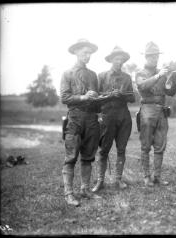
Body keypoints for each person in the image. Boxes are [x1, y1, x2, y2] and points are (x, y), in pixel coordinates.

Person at [60, 39, 101, 206]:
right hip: (75, 118)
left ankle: (85, 190)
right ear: (76, 52)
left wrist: (99, 100)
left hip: (91, 119)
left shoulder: (92, 75)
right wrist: (84, 97)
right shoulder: (67, 73)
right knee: (71, 157)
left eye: (89, 53)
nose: (88, 55)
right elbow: (64, 97)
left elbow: (97, 100)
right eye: (84, 52)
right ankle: (69, 194)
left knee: (88, 156)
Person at [92, 46, 135, 192]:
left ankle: (118, 179)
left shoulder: (127, 78)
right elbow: (95, 98)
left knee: (121, 149)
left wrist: (122, 94)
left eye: (121, 59)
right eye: (116, 58)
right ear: (111, 60)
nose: (119, 61)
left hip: (123, 116)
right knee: (103, 150)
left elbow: (132, 97)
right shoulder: (102, 76)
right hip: (107, 116)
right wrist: (109, 95)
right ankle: (100, 181)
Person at [135, 42, 176, 187]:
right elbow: (142, 86)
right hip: (147, 110)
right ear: (146, 57)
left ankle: (157, 176)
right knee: (146, 145)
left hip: (161, 111)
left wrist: (172, 80)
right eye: (151, 56)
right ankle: (147, 177)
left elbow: (170, 92)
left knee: (160, 145)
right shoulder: (140, 73)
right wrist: (159, 75)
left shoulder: (162, 73)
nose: (154, 59)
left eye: (156, 56)